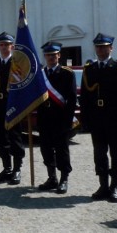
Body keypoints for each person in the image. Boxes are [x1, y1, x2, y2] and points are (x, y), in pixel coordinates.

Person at [80, 33, 117, 203]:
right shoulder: (90, 68)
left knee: (116, 152)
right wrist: (85, 120)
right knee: (99, 153)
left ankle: (115, 185)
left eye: (104, 47)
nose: (101, 50)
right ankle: (103, 185)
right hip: (97, 118)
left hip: (115, 117)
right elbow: (85, 97)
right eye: (98, 47)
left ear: (111, 48)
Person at [36, 41, 77, 194]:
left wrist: (68, 121)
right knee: (46, 149)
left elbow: (72, 99)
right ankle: (51, 177)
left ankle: (64, 179)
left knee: (62, 151)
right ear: (45, 56)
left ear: (59, 55)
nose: (51, 58)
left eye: (54, 55)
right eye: (48, 55)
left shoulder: (67, 73)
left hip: (61, 119)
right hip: (45, 118)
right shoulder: (41, 74)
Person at [0, 32, 25, 183]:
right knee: (0, 139)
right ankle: (7, 168)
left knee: (15, 139)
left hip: (13, 107)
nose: (4, 48)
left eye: (6, 45)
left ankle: (17, 169)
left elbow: (22, 88)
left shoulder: (17, 64)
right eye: (1, 45)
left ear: (12, 47)